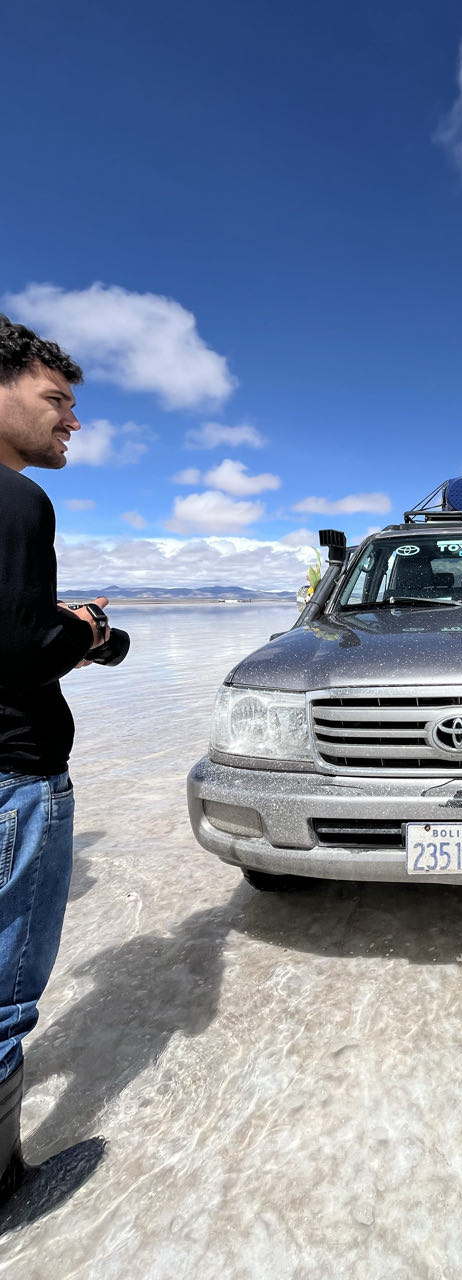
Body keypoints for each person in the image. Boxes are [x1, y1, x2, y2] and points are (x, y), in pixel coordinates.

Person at [0, 315, 112, 1229]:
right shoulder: (18, 500)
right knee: (2, 996)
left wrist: (57, 628)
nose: (71, 420)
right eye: (56, 399)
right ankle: (5, 1187)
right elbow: (19, 651)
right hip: (15, 773)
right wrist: (85, 631)